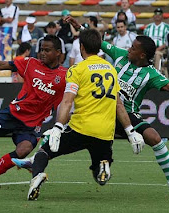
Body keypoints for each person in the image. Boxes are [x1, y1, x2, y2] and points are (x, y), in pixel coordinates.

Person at [65, 16, 169, 200]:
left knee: (154, 137)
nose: (128, 49)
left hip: (127, 114)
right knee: (69, 132)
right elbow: (97, 44)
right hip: (103, 108)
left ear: (142, 55)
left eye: (133, 48)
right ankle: (39, 159)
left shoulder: (150, 74)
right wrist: (80, 27)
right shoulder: (120, 55)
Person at [27, 28, 144, 201]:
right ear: (98, 47)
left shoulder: (77, 69)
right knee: (100, 176)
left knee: (43, 153)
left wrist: (58, 127)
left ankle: (37, 177)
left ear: (81, 47)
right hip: (105, 132)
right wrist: (130, 131)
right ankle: (104, 164)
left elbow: (67, 101)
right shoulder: (111, 69)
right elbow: (118, 104)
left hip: (81, 128)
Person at [0, 35, 67, 189]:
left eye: (47, 50)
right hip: (12, 114)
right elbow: (3, 65)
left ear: (58, 53)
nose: (42, 53)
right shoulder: (30, 64)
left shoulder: (65, 75)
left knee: (23, 151)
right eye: (41, 49)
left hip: (32, 124)